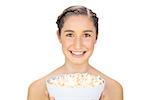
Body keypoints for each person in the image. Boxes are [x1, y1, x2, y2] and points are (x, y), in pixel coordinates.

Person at [27, 5, 123, 100]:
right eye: (69, 35)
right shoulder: (37, 89)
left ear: (96, 37)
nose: (78, 45)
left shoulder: (114, 89)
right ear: (59, 36)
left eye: (86, 35)